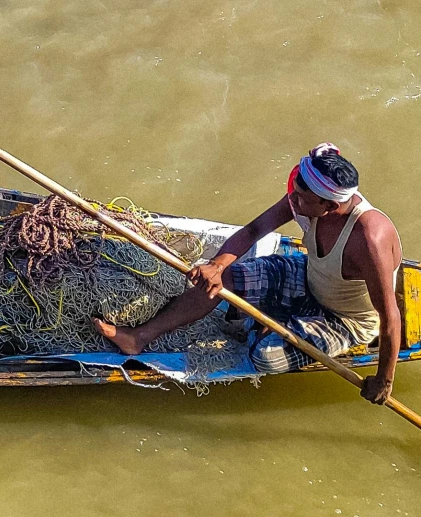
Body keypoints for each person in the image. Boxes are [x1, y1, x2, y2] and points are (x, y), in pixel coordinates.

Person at [93, 144, 404, 403]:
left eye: (299, 199)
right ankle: (137, 338)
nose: (292, 202)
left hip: (346, 319)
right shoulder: (306, 196)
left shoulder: (369, 239)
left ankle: (276, 326)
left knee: (265, 356)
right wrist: (216, 265)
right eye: (293, 193)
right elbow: (255, 230)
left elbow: (389, 317)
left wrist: (383, 381)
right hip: (309, 278)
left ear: (328, 205)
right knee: (223, 279)